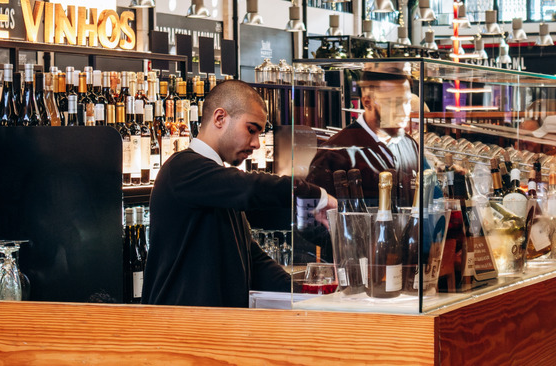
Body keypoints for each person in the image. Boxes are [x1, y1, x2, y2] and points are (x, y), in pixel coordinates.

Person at [142, 80, 336, 308]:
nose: (256, 144)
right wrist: (313, 194)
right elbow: (252, 187)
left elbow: (252, 260)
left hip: (214, 326)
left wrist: (304, 294)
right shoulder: (182, 169)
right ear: (220, 118)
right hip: (180, 327)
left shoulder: (215, 182)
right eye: (251, 130)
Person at [306, 70, 421, 208]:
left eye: (406, 101)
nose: (403, 110)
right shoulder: (334, 154)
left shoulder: (410, 145)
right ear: (367, 102)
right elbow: (316, 220)